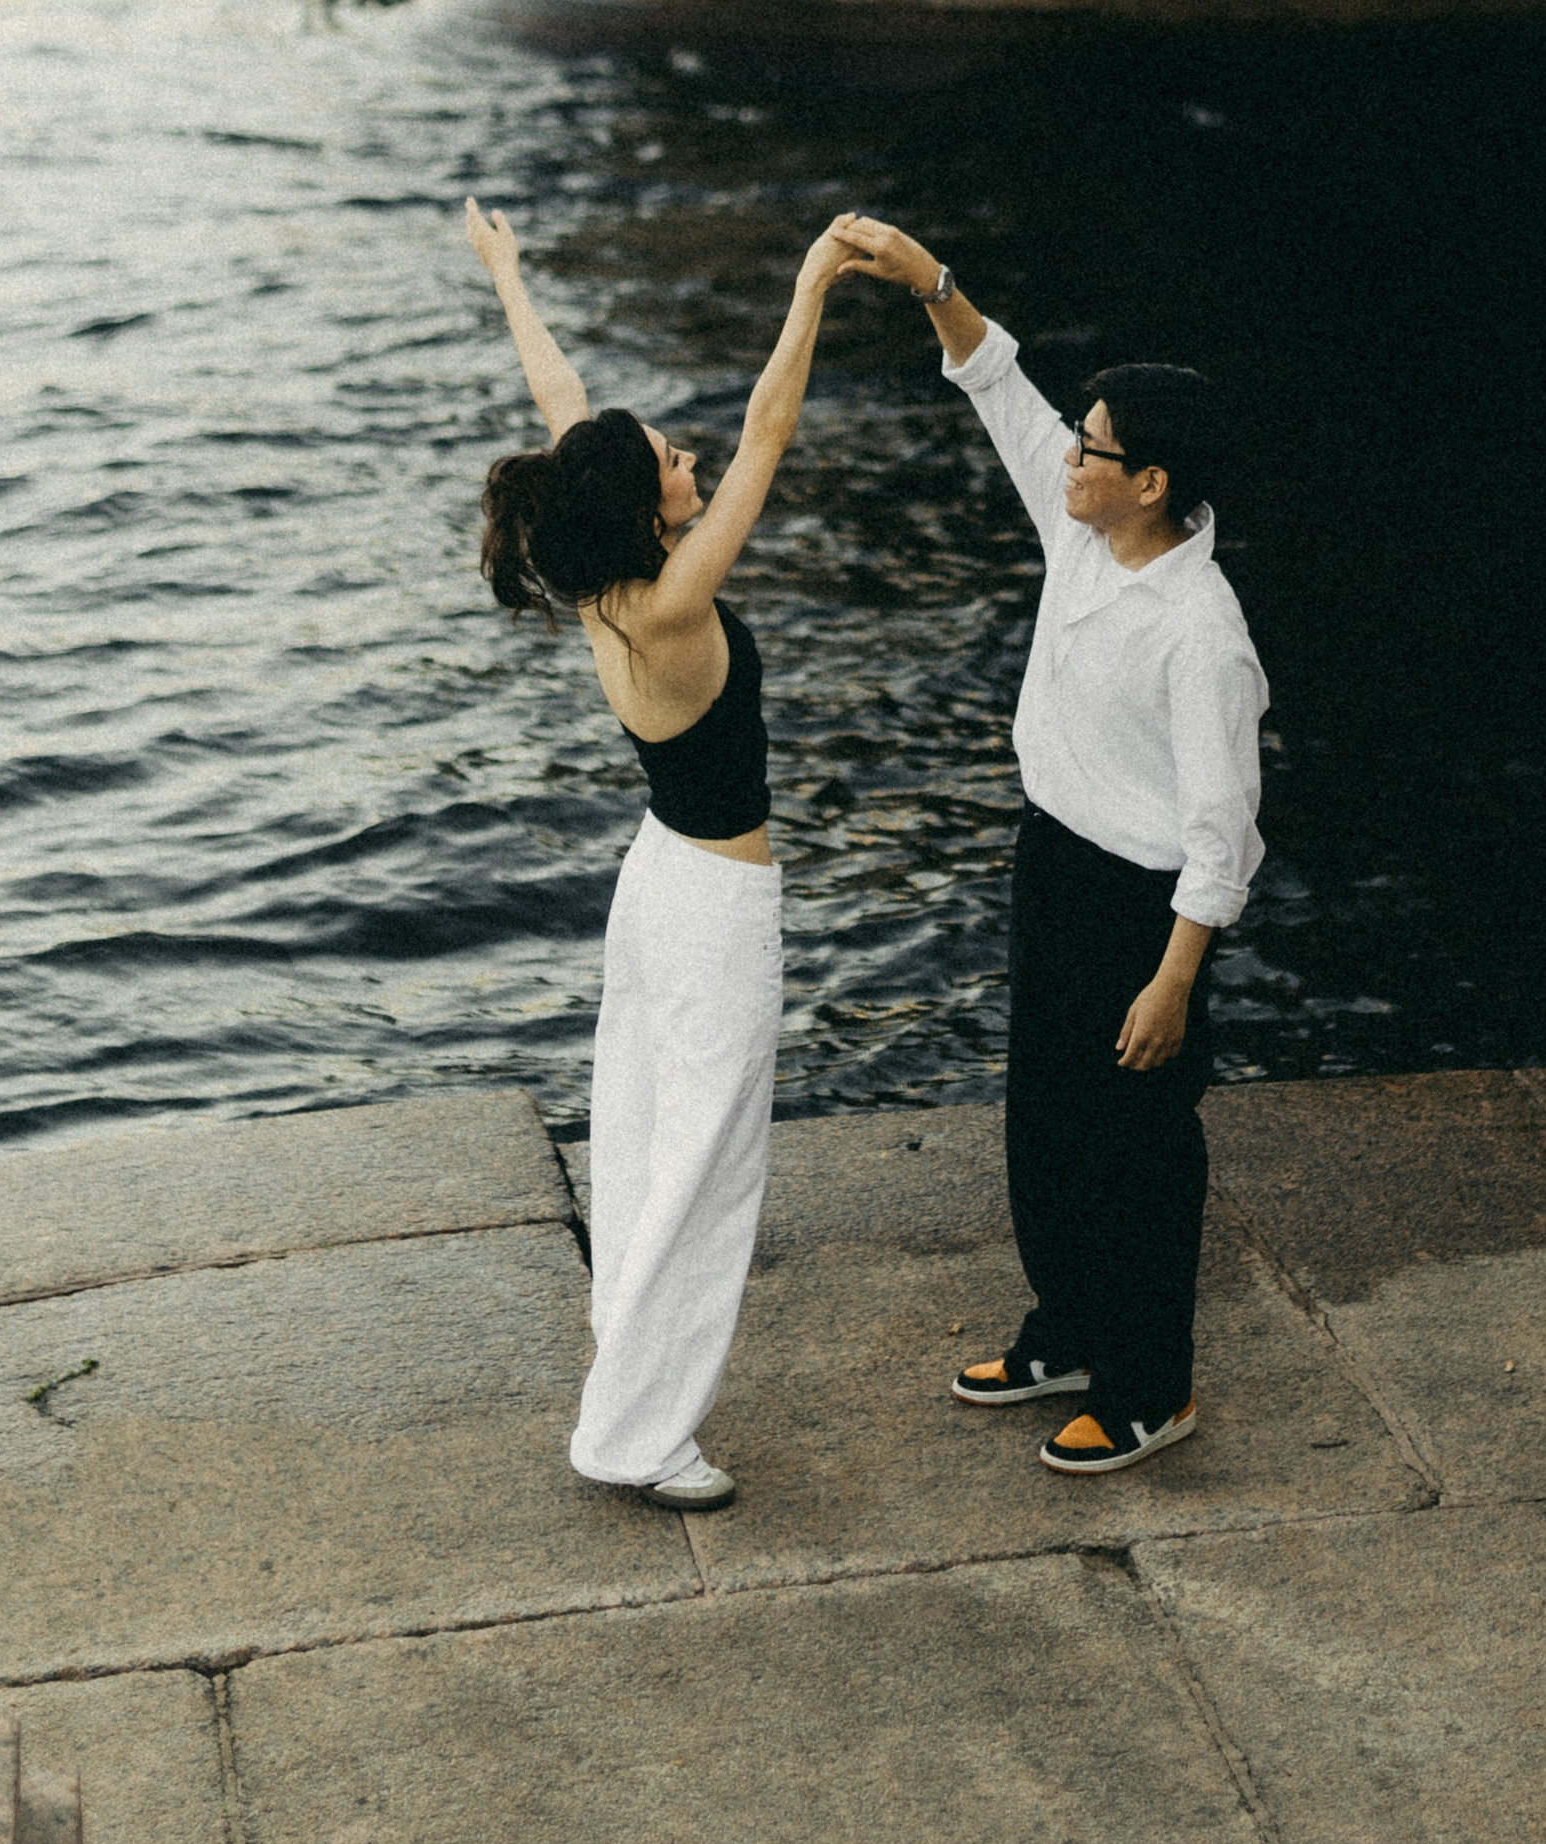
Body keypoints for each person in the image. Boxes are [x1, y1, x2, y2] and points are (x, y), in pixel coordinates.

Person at [839, 223, 1266, 1474]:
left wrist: (1175, 978)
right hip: (1057, 867)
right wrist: (933, 285)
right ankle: (1069, 1331)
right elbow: (1003, 398)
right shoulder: (1084, 527)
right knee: (1047, 1125)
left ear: (1149, 483)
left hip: (1146, 909)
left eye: (1096, 449)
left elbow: (1220, 829)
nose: (1068, 456)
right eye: (1078, 442)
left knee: (1138, 1155)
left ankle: (1149, 1387)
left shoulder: (1202, 634)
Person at [465, 198, 862, 1510]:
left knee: (644, 1134)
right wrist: (809, 287)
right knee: (709, 1161)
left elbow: (561, 396)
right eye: (669, 463)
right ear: (647, 510)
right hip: (713, 902)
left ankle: (624, 1370)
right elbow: (769, 430)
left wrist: (512, 275)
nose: (690, 458)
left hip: (658, 880)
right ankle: (638, 1436)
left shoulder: (597, 582)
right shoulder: (676, 602)